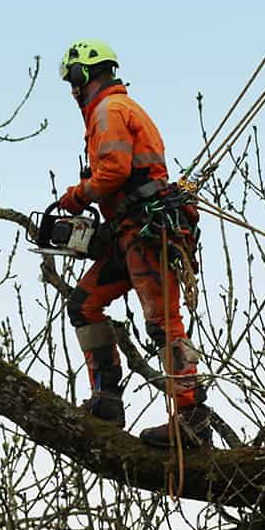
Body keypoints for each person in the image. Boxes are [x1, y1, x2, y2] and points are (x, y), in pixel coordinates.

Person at [56, 38, 212, 448]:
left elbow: (112, 172)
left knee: (164, 324)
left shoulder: (109, 110)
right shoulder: (112, 110)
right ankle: (106, 399)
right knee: (84, 304)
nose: (73, 91)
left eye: (74, 81)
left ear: (83, 75)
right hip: (127, 231)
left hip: (146, 232)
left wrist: (78, 194)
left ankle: (192, 417)